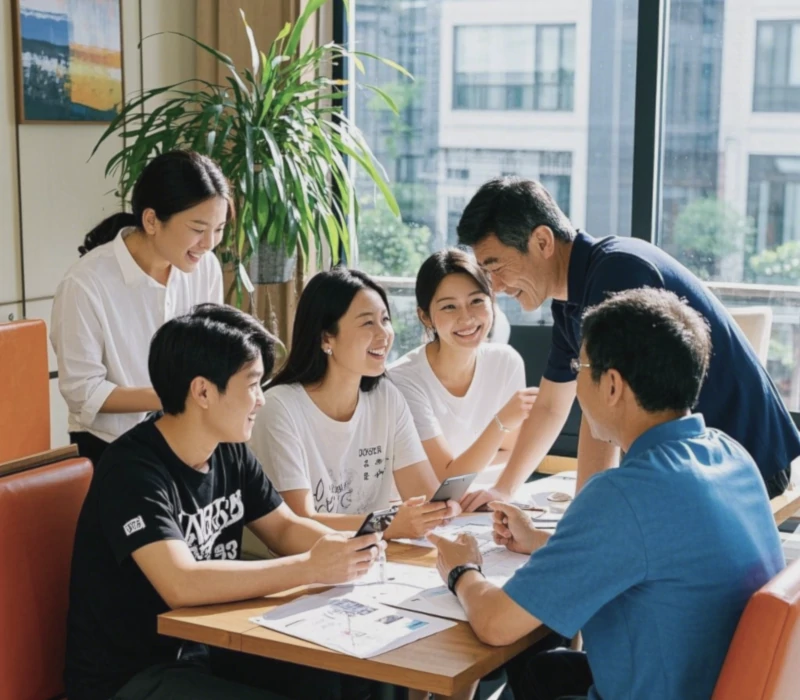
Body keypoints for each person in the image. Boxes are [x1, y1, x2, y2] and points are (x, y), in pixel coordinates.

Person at [428, 288, 785, 700]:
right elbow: (656, 552)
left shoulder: (624, 494)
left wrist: (461, 570)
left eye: (580, 366)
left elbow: (495, 624)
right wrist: (542, 542)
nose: (576, 379)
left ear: (612, 385)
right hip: (710, 683)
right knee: (545, 670)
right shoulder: (730, 453)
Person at [65, 303, 384, 700]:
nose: (261, 399)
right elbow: (181, 583)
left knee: (341, 675)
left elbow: (284, 527)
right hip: (129, 679)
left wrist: (351, 556)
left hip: (208, 650)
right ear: (202, 391)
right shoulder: (132, 470)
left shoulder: (227, 448)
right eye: (252, 384)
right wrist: (310, 567)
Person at [457, 176, 799, 510]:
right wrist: (504, 488)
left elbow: (608, 407)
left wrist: (586, 521)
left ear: (543, 242)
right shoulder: (570, 300)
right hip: (696, 461)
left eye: (496, 266)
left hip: (744, 461)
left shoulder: (618, 272)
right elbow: (550, 406)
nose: (496, 287)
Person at [249, 268, 459, 540]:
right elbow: (298, 523)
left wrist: (441, 509)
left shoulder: (386, 396)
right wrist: (387, 524)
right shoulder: (278, 408)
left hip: (367, 561)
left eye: (385, 319)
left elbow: (424, 495)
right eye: (367, 323)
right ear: (326, 337)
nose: (384, 333)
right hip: (293, 572)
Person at [51, 150, 230, 467]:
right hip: (110, 450)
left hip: (187, 440)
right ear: (151, 221)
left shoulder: (206, 268)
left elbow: (209, 352)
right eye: (198, 228)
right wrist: (173, 398)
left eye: (218, 229)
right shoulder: (85, 284)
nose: (209, 243)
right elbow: (83, 392)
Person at [389, 248, 537, 481]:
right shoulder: (402, 380)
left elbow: (510, 453)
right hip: (420, 510)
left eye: (476, 301)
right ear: (425, 317)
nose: (467, 318)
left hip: (480, 501)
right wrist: (501, 421)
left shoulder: (506, 362)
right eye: (449, 306)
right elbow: (445, 481)